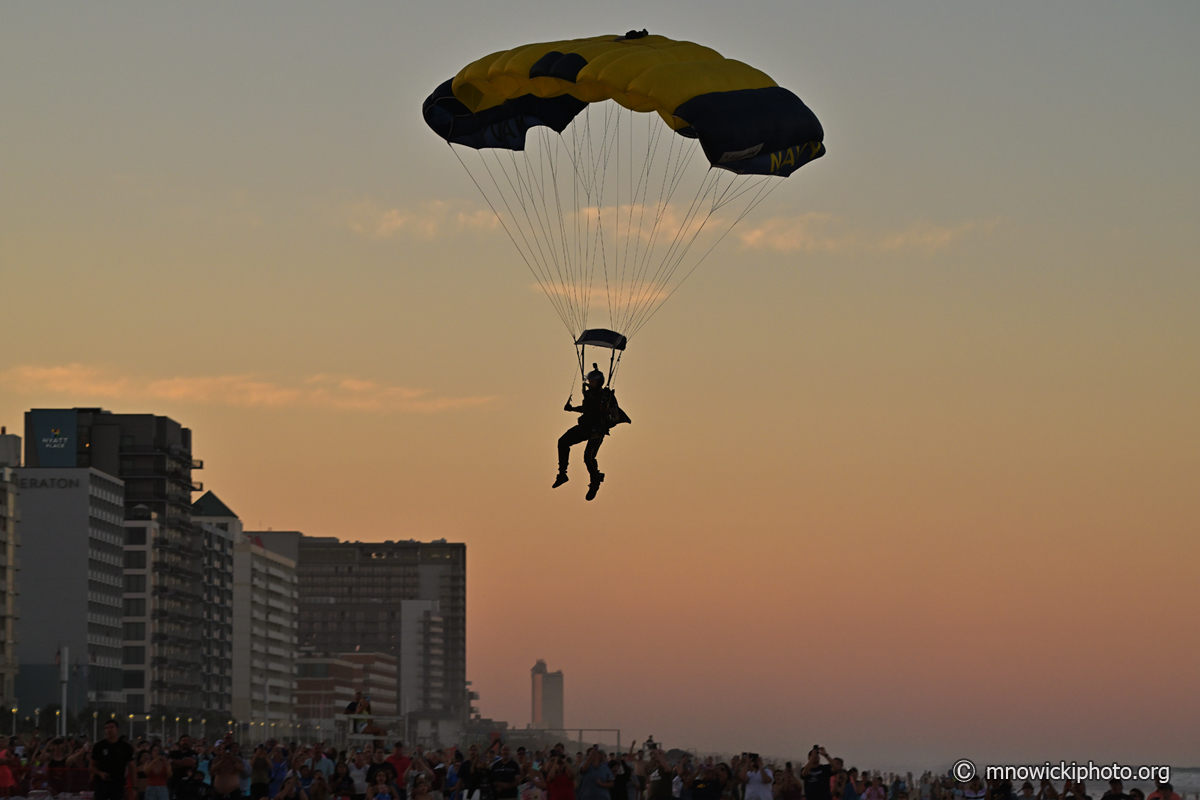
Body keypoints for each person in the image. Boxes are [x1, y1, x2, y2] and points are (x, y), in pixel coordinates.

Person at [553, 366, 629, 501]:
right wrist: (572, 409)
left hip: (597, 430)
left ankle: (595, 482)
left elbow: (615, 416)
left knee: (588, 457)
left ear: (598, 382)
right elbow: (587, 410)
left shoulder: (608, 397)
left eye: (591, 382)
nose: (589, 384)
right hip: (585, 427)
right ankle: (562, 474)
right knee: (562, 442)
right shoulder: (589, 395)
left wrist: (605, 422)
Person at [91, 720, 135, 800]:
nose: (109, 730)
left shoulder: (125, 747)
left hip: (118, 785)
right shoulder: (99, 746)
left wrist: (134, 787)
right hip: (101, 785)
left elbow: (132, 767)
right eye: (107, 728)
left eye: (112, 727)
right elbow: (92, 765)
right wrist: (100, 773)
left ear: (117, 729)